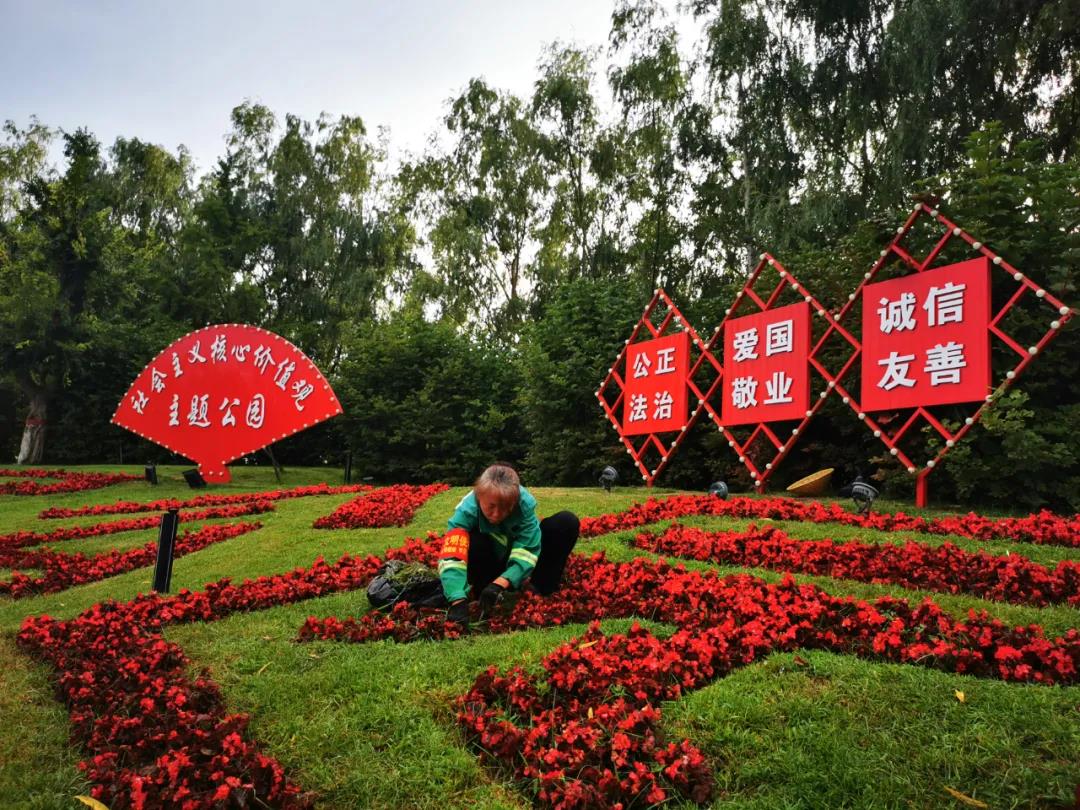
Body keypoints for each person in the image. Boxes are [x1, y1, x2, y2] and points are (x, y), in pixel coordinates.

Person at [440, 464, 579, 629]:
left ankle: (537, 590)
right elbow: (452, 556)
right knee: (473, 539)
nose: (497, 514)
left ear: (515, 502)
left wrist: (501, 583)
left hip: (519, 563)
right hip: (487, 562)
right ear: (479, 496)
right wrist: (457, 600)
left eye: (505, 508)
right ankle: (482, 592)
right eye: (491, 506)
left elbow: (527, 550)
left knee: (566, 522)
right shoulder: (465, 512)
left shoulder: (525, 505)